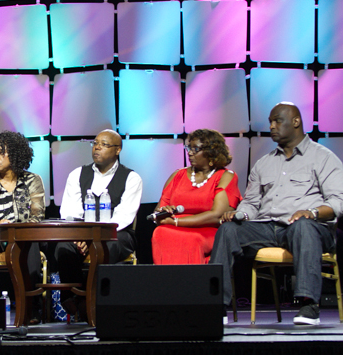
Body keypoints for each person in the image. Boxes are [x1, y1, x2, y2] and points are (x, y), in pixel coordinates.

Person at [211, 102, 343, 325]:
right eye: (270, 121)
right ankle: (215, 306)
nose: (271, 126)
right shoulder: (264, 163)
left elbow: (338, 202)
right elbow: (252, 203)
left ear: (296, 121)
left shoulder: (323, 157)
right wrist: (240, 214)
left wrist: (311, 212)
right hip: (267, 227)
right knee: (228, 230)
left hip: (309, 228)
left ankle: (308, 304)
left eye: (277, 121)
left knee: (303, 226)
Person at [55, 129, 142, 320]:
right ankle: (74, 297)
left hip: (116, 234)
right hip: (81, 233)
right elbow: (70, 212)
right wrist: (82, 236)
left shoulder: (131, 178)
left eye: (104, 144)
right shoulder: (77, 174)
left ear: (118, 150)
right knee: (63, 247)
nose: (97, 148)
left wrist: (94, 238)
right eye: (95, 143)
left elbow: (123, 216)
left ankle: (98, 301)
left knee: (106, 247)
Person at [0, 131, 45, 300]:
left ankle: (31, 306)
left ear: (15, 153)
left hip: (24, 236)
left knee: (31, 240)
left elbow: (37, 216)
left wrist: (16, 230)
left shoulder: (32, 181)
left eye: (2, 152)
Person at [151, 129, 242, 264]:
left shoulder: (225, 176)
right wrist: (164, 213)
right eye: (189, 148)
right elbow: (158, 212)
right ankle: (166, 284)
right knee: (160, 232)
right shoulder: (177, 175)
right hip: (172, 227)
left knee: (191, 239)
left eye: (196, 149)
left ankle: (192, 284)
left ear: (212, 152)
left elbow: (216, 215)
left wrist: (176, 222)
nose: (190, 152)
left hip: (208, 231)